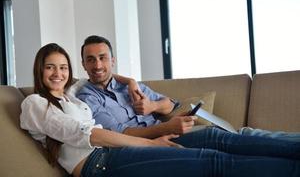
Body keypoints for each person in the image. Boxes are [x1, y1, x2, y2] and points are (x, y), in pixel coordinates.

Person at [20, 43, 300, 177]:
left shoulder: (71, 94)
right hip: (98, 164)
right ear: (39, 70)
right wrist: (150, 143)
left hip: (115, 152)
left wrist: (128, 81)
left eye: (62, 67)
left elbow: (99, 74)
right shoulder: (34, 104)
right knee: (211, 161)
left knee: (219, 145)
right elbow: (90, 135)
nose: (57, 73)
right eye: (50, 67)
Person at [76, 35, 300, 143]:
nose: (97, 65)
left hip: (170, 131)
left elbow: (171, 103)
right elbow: (120, 134)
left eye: (102, 58)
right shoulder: (86, 98)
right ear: (84, 64)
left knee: (243, 133)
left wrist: (153, 105)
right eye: (91, 60)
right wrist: (166, 128)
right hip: (160, 141)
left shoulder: (127, 86)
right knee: (225, 136)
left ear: (112, 61)